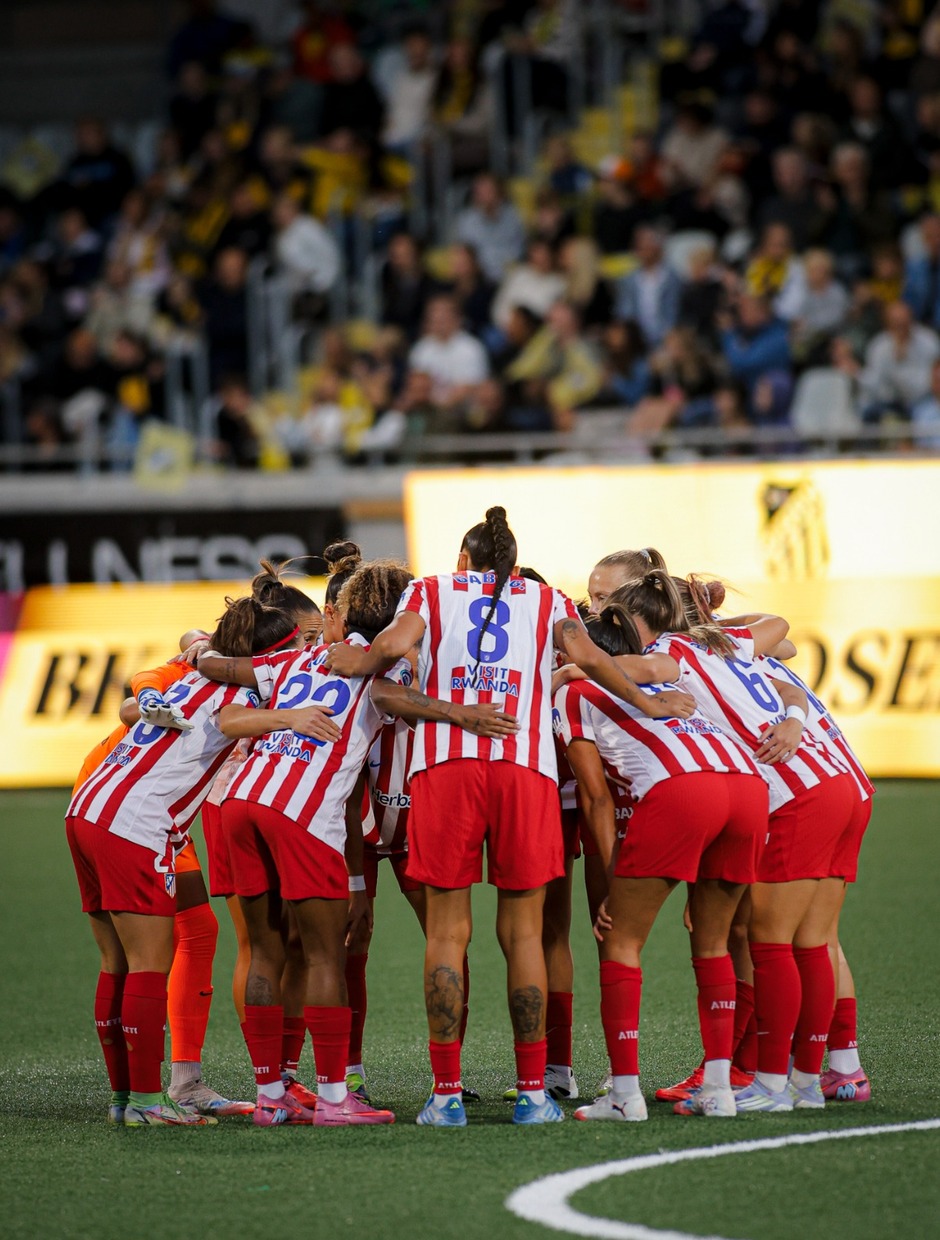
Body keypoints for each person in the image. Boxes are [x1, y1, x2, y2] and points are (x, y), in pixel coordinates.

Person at [324, 506, 695, 1127]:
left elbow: (387, 648)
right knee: (525, 934)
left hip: (445, 771)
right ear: (515, 565)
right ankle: (533, 1091)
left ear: (462, 561)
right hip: (525, 772)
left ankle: (445, 1095)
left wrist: (351, 661)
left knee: (447, 933)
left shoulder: (433, 590)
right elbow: (597, 663)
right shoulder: (547, 600)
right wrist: (646, 705)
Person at [202, 559, 518, 1126]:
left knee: (266, 951)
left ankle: (271, 1097)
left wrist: (198, 652)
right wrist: (462, 714)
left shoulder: (300, 655)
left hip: (242, 803)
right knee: (327, 954)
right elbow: (397, 703)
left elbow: (223, 680)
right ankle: (332, 1098)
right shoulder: (378, 672)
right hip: (304, 813)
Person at [65, 596, 339, 1126]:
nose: (306, 653)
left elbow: (178, 661)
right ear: (271, 653)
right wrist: (291, 716)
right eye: (299, 644)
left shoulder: (195, 672)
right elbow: (233, 718)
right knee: (149, 964)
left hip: (88, 808)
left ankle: (126, 1100)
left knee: (116, 964)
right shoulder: (236, 688)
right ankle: (148, 1102)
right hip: (135, 822)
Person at [607, 570, 860, 1112]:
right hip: (840, 780)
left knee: (769, 943)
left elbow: (631, 667)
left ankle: (774, 1085)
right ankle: (813, 1081)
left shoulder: (672, 650)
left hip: (793, 790)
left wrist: (561, 663)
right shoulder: (726, 643)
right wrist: (792, 713)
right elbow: (783, 636)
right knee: (812, 942)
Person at [555, 599, 769, 1121]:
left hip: (683, 792)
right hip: (747, 789)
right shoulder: (667, 676)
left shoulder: (575, 692)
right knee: (714, 943)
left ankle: (624, 1094)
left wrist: (607, 884)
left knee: (620, 940)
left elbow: (596, 799)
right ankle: (718, 1091)